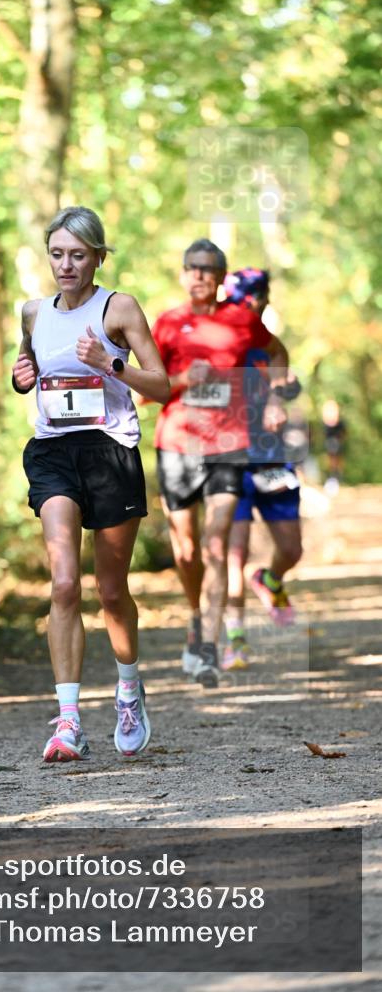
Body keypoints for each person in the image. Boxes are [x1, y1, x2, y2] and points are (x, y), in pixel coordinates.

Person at [12, 206, 169, 761]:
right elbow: (28, 368)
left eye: (78, 255)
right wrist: (19, 376)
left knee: (109, 590)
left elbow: (164, 385)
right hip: (53, 451)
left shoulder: (118, 307)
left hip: (111, 453)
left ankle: (129, 689)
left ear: (99, 256)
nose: (66, 265)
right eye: (57, 254)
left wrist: (111, 362)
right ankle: (68, 720)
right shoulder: (33, 312)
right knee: (62, 584)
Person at [150, 240, 291, 688]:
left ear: (220, 277)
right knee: (187, 551)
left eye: (208, 269)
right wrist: (180, 380)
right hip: (176, 445)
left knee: (214, 546)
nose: (198, 276)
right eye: (191, 267)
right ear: (182, 274)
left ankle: (209, 645)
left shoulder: (243, 320)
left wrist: (272, 395)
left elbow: (279, 354)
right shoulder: (168, 324)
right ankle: (196, 617)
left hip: (229, 446)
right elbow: (143, 390)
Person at [221, 269, 303, 670]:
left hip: (271, 457)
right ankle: (235, 641)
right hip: (229, 459)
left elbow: (284, 365)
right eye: (254, 298)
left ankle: (268, 579)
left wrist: (278, 394)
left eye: (264, 296)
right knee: (234, 554)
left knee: (292, 549)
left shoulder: (264, 341)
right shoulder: (215, 339)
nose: (260, 303)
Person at [321, 399, 346, 495]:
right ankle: (333, 480)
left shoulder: (340, 422)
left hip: (336, 444)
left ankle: (336, 479)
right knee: (332, 463)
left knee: (337, 463)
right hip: (330, 444)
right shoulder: (326, 424)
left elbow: (344, 433)